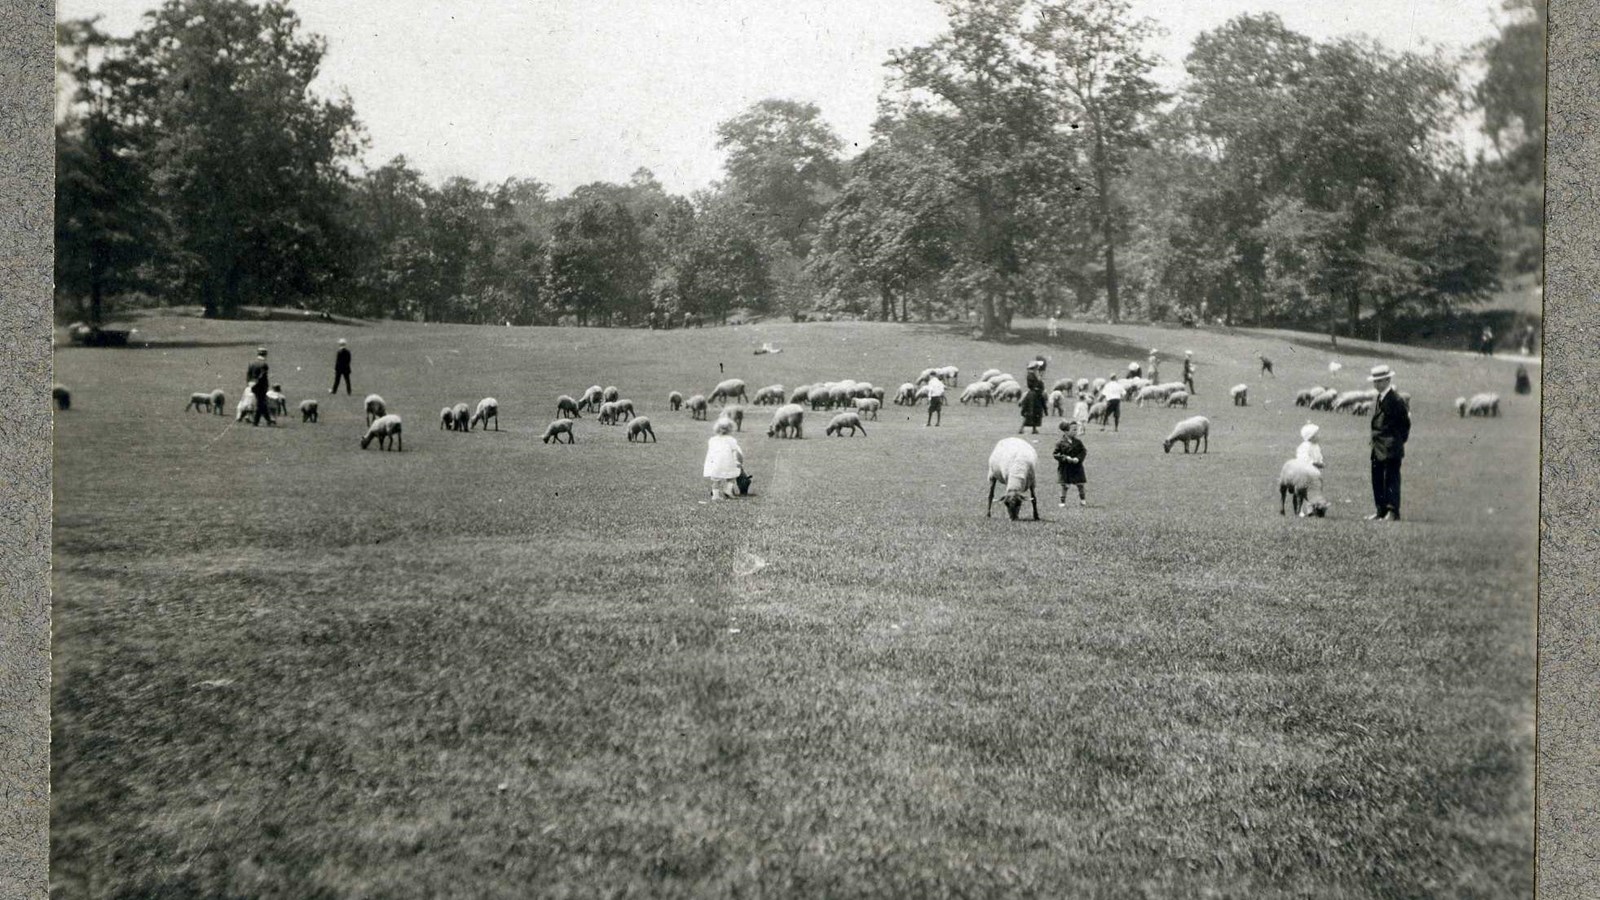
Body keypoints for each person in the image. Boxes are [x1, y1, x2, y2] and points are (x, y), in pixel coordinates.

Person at [1366, 364, 1410, 522]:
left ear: (1387, 380)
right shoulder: (1380, 398)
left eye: (1379, 381)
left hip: (1390, 447)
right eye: (1374, 381)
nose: (1375, 384)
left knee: (1391, 479)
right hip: (1378, 447)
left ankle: (1392, 511)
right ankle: (1380, 510)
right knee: (1377, 478)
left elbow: (1405, 425)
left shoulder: (1396, 400)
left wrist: (1395, 442)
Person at [702, 419, 745, 500]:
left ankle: (715, 495)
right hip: (727, 462)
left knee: (716, 480)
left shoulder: (712, 440)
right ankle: (728, 490)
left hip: (715, 463)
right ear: (730, 429)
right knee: (731, 477)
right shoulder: (731, 440)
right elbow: (735, 451)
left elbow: (711, 452)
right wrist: (739, 461)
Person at [1053, 420, 1089, 507]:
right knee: (1065, 485)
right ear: (1066, 431)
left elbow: (1083, 451)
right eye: (1073, 430)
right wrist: (1065, 458)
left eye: (1076, 430)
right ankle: (1062, 501)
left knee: (1080, 484)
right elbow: (1056, 454)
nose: (1075, 432)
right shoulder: (1060, 443)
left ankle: (1083, 500)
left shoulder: (1078, 442)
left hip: (1077, 467)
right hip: (1065, 467)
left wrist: (1078, 458)